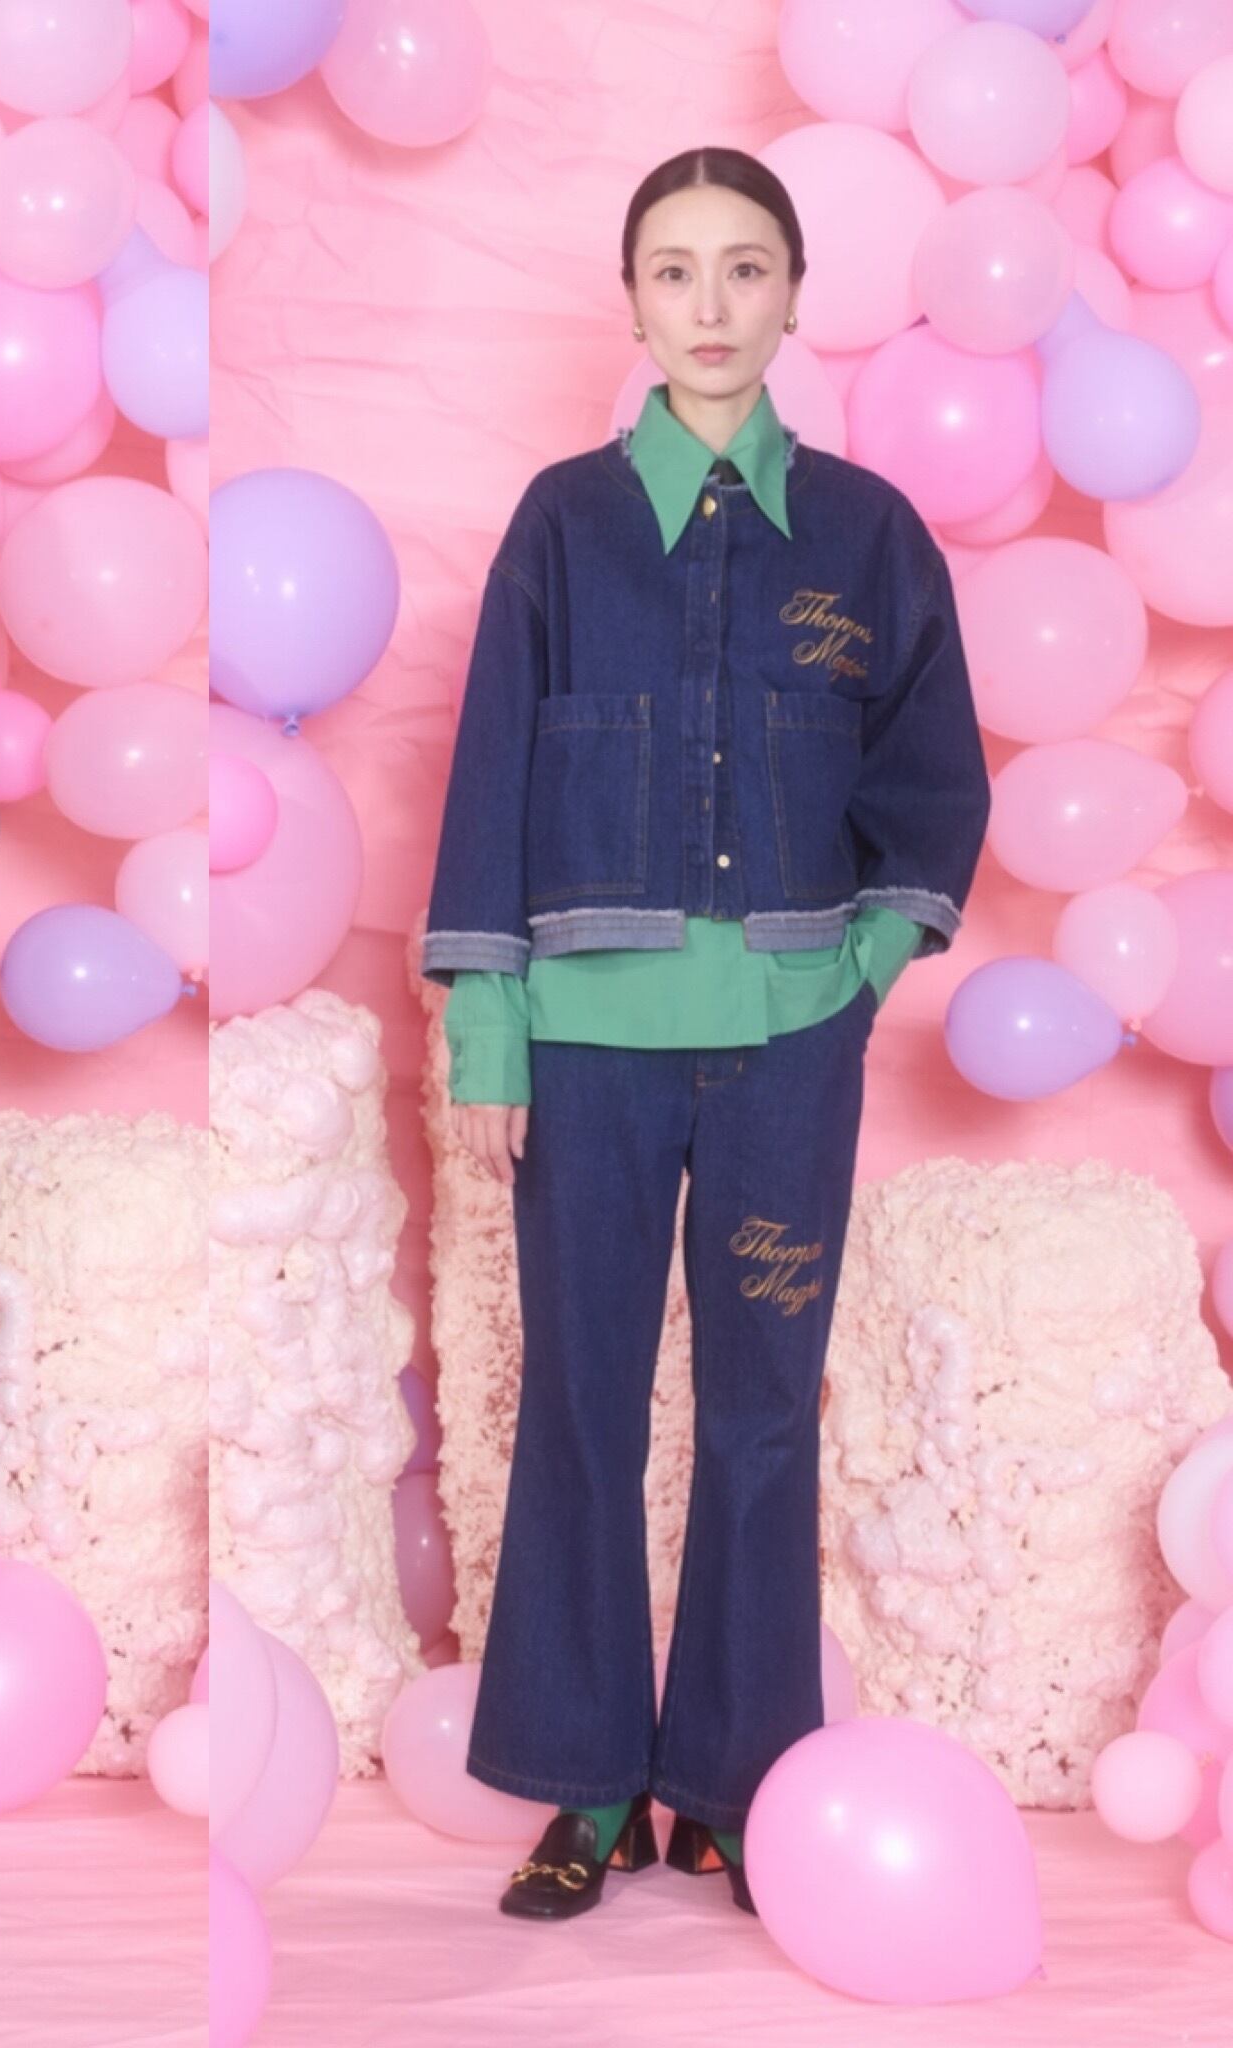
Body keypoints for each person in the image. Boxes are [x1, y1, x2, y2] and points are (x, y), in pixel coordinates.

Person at [419, 145, 991, 1922]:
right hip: (587, 1056)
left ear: (796, 295)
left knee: (762, 1412)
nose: (712, 304)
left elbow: (933, 774)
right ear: (633, 302)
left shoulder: (871, 534)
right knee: (580, 1400)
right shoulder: (563, 525)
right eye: (675, 270)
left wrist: (861, 967)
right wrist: (491, 1032)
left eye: (747, 268)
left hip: (786, 1056)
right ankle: (586, 1785)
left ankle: (736, 1786)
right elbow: (490, 771)